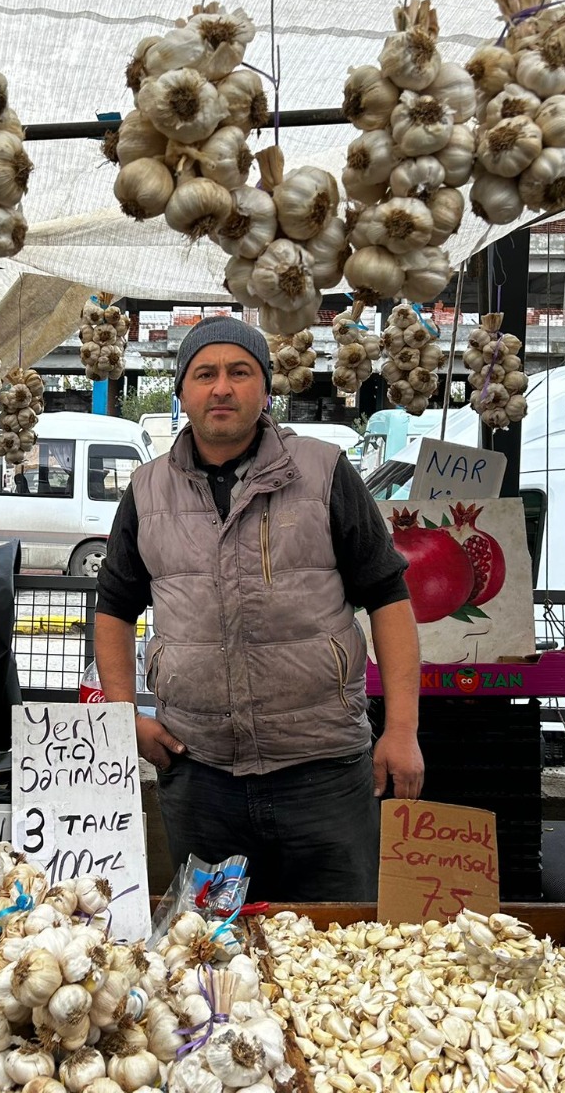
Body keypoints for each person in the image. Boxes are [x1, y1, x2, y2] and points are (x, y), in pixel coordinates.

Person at [93, 315, 424, 901]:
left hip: (323, 775)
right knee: (214, 954)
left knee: (334, 955)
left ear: (265, 389)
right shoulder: (147, 491)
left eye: (239, 372)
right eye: (205, 374)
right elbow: (114, 609)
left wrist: (401, 730)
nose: (222, 387)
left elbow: (389, 598)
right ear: (183, 392)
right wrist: (124, 720)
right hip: (198, 774)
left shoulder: (324, 472)